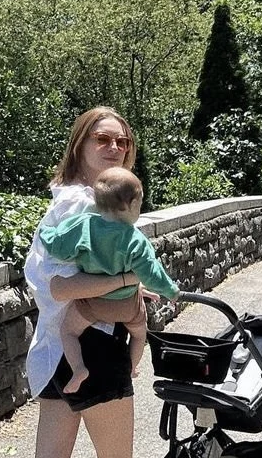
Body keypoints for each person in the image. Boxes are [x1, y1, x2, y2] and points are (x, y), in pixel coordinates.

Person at [0, 108, 182, 458]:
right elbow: (55, 287)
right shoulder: (87, 204)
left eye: (123, 140)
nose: (116, 146)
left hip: (57, 354)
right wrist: (129, 280)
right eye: (103, 138)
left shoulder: (66, 201)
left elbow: (54, 285)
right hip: (95, 352)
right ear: (79, 143)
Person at [37, 165, 179, 393]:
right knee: (139, 333)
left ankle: (79, 369)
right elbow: (152, 272)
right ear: (133, 205)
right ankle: (131, 368)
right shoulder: (135, 239)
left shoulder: (84, 227)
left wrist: (46, 232)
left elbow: (59, 246)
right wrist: (171, 291)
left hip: (93, 303)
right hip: (127, 306)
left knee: (68, 332)